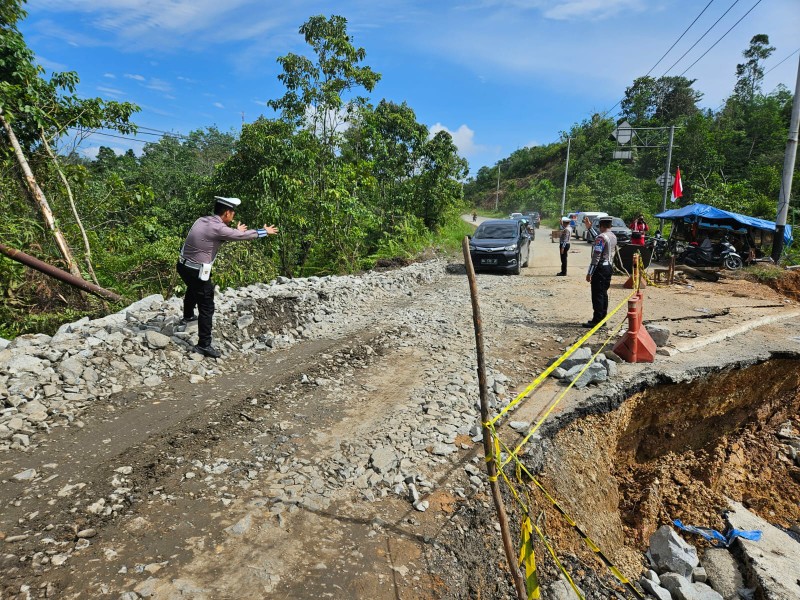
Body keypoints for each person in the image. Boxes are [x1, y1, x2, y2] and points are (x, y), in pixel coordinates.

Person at [177, 196, 278, 358]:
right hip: (196, 270)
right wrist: (264, 231)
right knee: (207, 305)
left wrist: (236, 231)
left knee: (193, 287)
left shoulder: (202, 220)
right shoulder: (218, 228)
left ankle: (188, 316)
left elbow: (218, 237)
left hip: (183, 266)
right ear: (226, 213)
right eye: (232, 213)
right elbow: (239, 236)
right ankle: (203, 344)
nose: (233, 216)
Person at [584, 217, 617, 328]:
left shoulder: (601, 237)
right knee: (603, 293)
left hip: (600, 268)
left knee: (597, 294)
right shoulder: (612, 236)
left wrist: (590, 272)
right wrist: (590, 228)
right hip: (608, 267)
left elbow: (596, 256)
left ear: (601, 226)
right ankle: (602, 318)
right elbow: (599, 239)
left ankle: (597, 320)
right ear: (610, 225)